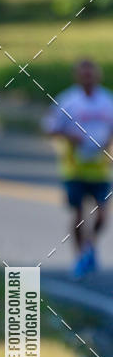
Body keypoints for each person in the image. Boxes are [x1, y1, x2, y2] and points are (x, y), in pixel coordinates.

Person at [45, 59, 113, 277]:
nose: (88, 78)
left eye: (91, 74)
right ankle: (80, 256)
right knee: (78, 213)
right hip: (74, 167)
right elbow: (51, 128)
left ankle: (90, 246)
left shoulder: (107, 101)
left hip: (100, 168)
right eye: (84, 75)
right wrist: (70, 136)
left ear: (98, 76)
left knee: (102, 214)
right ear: (77, 76)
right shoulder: (68, 101)